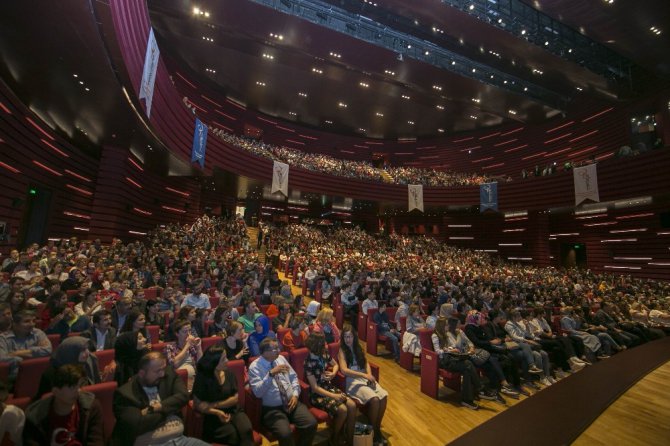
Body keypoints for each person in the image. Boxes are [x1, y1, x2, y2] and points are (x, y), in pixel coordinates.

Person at [111, 352, 209, 446]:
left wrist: (155, 408)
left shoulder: (168, 375)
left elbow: (184, 396)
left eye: (163, 369)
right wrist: (170, 408)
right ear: (141, 373)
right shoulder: (125, 394)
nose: (162, 374)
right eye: (158, 371)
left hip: (180, 440)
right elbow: (137, 425)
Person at [248, 338, 317, 446]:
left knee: (311, 424)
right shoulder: (254, 367)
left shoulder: (281, 358)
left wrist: (295, 395)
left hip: (292, 402)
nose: (278, 350)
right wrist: (270, 374)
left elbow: (294, 377)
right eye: (275, 349)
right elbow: (258, 393)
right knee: (285, 434)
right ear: (265, 352)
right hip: (273, 410)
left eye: (277, 347)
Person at [24, 364, 104, 445]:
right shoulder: (35, 418)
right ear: (56, 392)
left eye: (79, 385)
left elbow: (96, 441)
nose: (78, 391)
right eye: (72, 387)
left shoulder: (91, 407)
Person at [192, 345, 254, 446]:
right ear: (214, 363)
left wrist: (214, 405)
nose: (227, 360)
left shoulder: (229, 373)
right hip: (213, 416)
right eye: (223, 359)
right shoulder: (203, 377)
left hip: (234, 410)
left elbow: (234, 399)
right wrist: (216, 411)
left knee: (246, 430)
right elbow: (198, 404)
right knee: (233, 436)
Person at [338, 324, 388, 446]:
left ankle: (375, 429)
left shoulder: (359, 347)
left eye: (350, 336)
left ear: (354, 337)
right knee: (375, 400)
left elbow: (366, 363)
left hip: (364, 378)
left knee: (384, 396)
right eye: (345, 337)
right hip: (352, 380)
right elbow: (344, 370)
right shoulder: (342, 350)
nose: (348, 340)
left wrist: (369, 375)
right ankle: (373, 432)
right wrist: (364, 376)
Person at [304, 332, 356, 445]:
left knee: (352, 405)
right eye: (323, 343)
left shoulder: (324, 353)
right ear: (316, 345)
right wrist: (335, 396)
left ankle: (350, 439)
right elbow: (315, 388)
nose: (326, 344)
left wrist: (333, 373)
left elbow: (336, 364)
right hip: (318, 394)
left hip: (328, 387)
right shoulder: (308, 363)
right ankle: (334, 438)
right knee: (343, 410)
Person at [432, 317, 484, 410]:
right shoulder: (435, 335)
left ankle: (467, 400)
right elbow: (437, 351)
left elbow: (453, 346)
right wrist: (448, 350)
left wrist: (452, 349)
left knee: (467, 371)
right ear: (442, 326)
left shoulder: (446, 334)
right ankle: (479, 388)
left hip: (452, 358)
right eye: (446, 324)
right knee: (468, 364)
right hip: (445, 361)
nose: (448, 326)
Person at [34, 336, 101, 401]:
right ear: (70, 353)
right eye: (82, 350)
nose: (87, 353)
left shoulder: (88, 362)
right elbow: (45, 401)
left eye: (87, 349)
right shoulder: (51, 374)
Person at [0, 310, 52, 379]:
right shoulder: (3, 338)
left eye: (33, 321)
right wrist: (28, 361)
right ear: (15, 324)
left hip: (38, 375)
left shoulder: (38, 333)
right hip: (13, 378)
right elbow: (2, 358)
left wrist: (17, 353)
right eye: (27, 321)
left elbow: (48, 350)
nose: (32, 324)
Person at [165, 319, 203, 391]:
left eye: (189, 331)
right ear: (177, 333)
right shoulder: (170, 347)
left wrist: (198, 347)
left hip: (193, 380)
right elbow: (174, 364)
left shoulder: (191, 347)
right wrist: (187, 346)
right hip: (178, 383)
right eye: (185, 332)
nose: (188, 334)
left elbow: (201, 364)